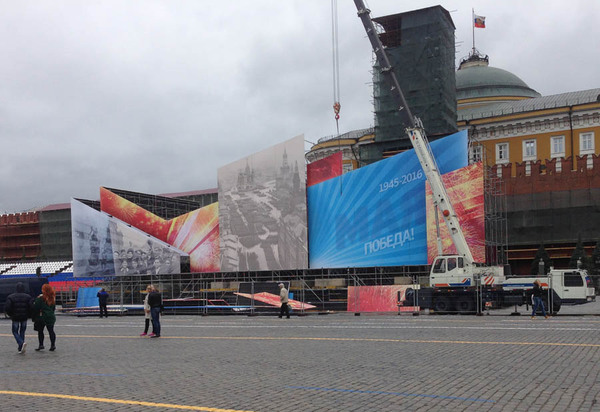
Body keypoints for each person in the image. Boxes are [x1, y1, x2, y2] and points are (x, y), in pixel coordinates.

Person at [4, 282, 33, 354]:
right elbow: (31, 307)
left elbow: (7, 307)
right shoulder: (28, 297)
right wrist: (29, 314)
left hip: (15, 316)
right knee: (22, 331)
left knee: (15, 331)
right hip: (24, 316)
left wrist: (11, 314)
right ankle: (21, 346)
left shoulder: (11, 297)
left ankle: (21, 343)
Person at [33, 284, 57, 351]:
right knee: (51, 331)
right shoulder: (52, 298)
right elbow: (53, 308)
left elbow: (36, 307)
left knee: (40, 331)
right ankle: (53, 345)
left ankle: (41, 345)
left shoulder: (40, 298)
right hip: (51, 316)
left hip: (42, 316)